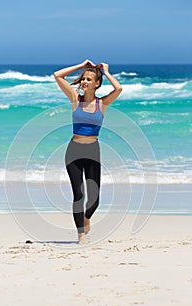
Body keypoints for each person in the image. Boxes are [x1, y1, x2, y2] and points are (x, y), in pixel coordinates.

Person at [54, 59, 122, 244]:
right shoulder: (75, 99)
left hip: (93, 150)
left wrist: (106, 72)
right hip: (74, 150)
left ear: (97, 84)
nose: (84, 81)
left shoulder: (103, 104)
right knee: (79, 194)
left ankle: (86, 218)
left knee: (94, 199)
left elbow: (118, 89)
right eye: (83, 78)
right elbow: (58, 75)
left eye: (89, 79)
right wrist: (80, 65)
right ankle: (81, 235)